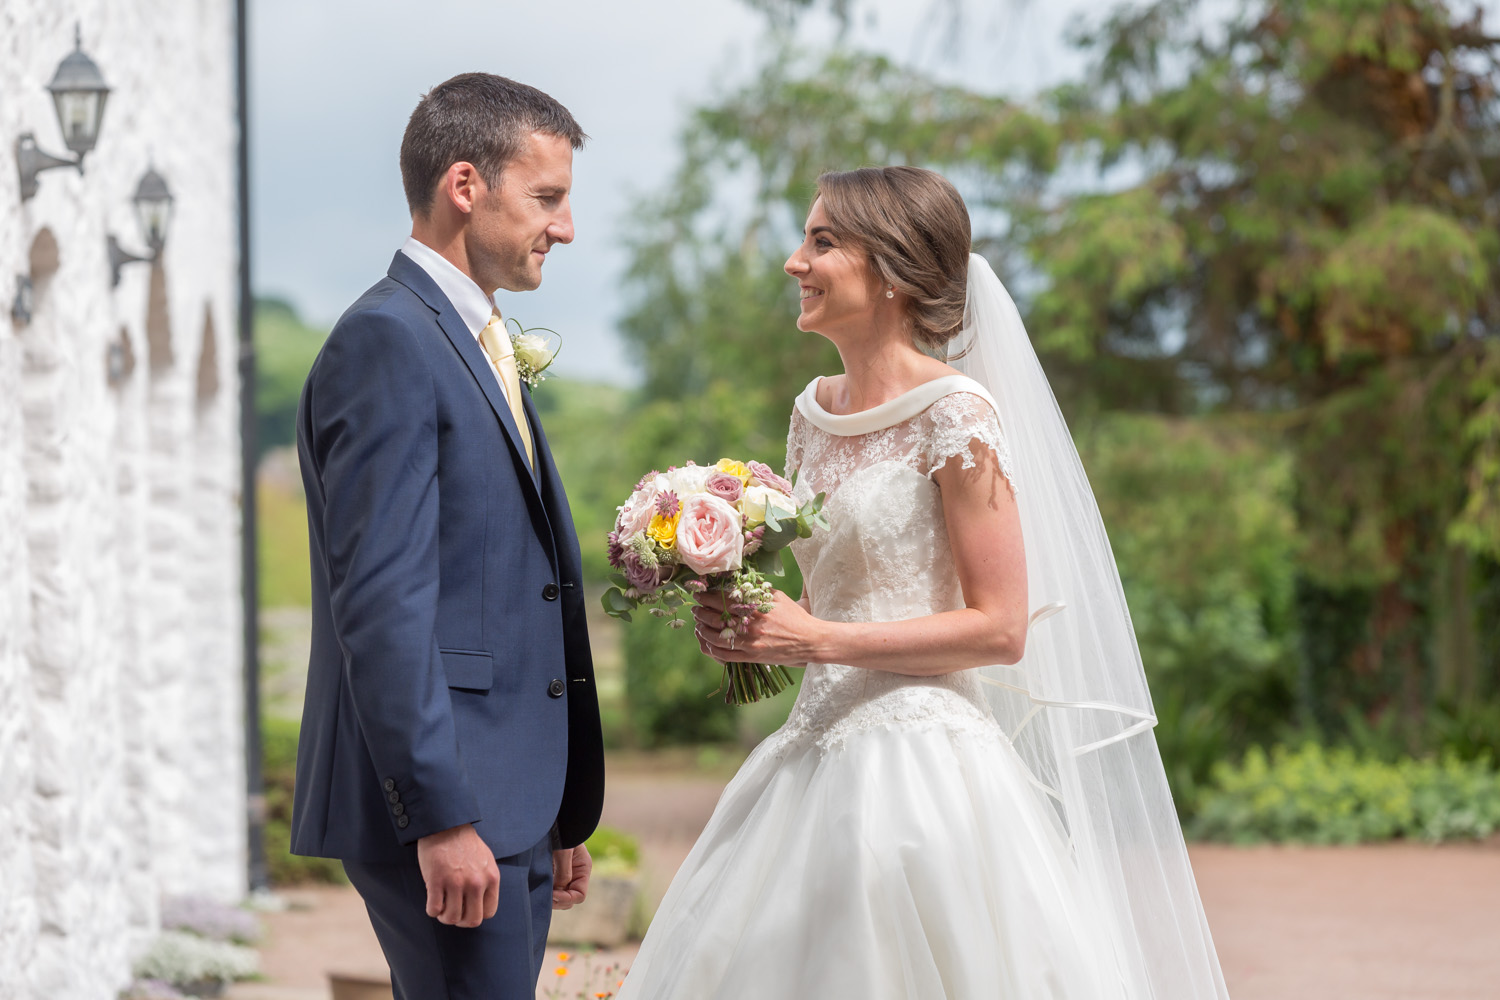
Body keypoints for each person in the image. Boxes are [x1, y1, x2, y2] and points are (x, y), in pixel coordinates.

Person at [618, 166, 1231, 998]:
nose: (795, 261)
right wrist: (742, 606)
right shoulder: (811, 413)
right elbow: (831, 578)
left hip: (924, 773)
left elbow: (1000, 629)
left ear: (895, 273)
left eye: (822, 241)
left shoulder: (959, 415)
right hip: (809, 758)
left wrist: (819, 639)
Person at [289, 73, 605, 999]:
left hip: (508, 805)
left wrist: (548, 809)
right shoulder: (386, 341)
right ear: (466, 186)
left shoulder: (471, 338)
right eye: (548, 198)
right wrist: (440, 818)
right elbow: (383, 601)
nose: (567, 227)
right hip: (451, 811)